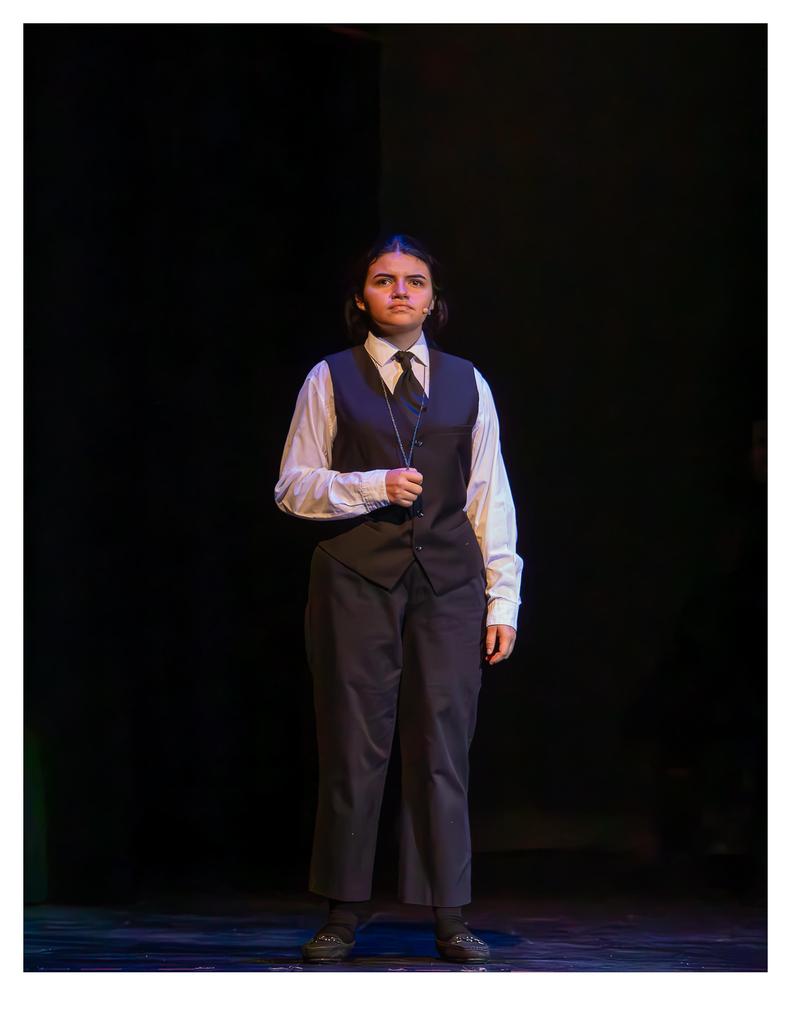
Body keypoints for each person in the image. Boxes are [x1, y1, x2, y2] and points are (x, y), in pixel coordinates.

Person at [274, 234, 523, 964]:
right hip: (355, 578)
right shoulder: (330, 377)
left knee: (442, 744)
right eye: (384, 281)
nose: (401, 292)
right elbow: (292, 486)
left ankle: (449, 913)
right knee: (353, 744)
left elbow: (489, 495)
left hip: (448, 582)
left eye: (415, 281)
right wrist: (371, 485)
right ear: (362, 298)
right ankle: (342, 911)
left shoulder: (467, 383)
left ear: (433, 299)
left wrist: (501, 600)